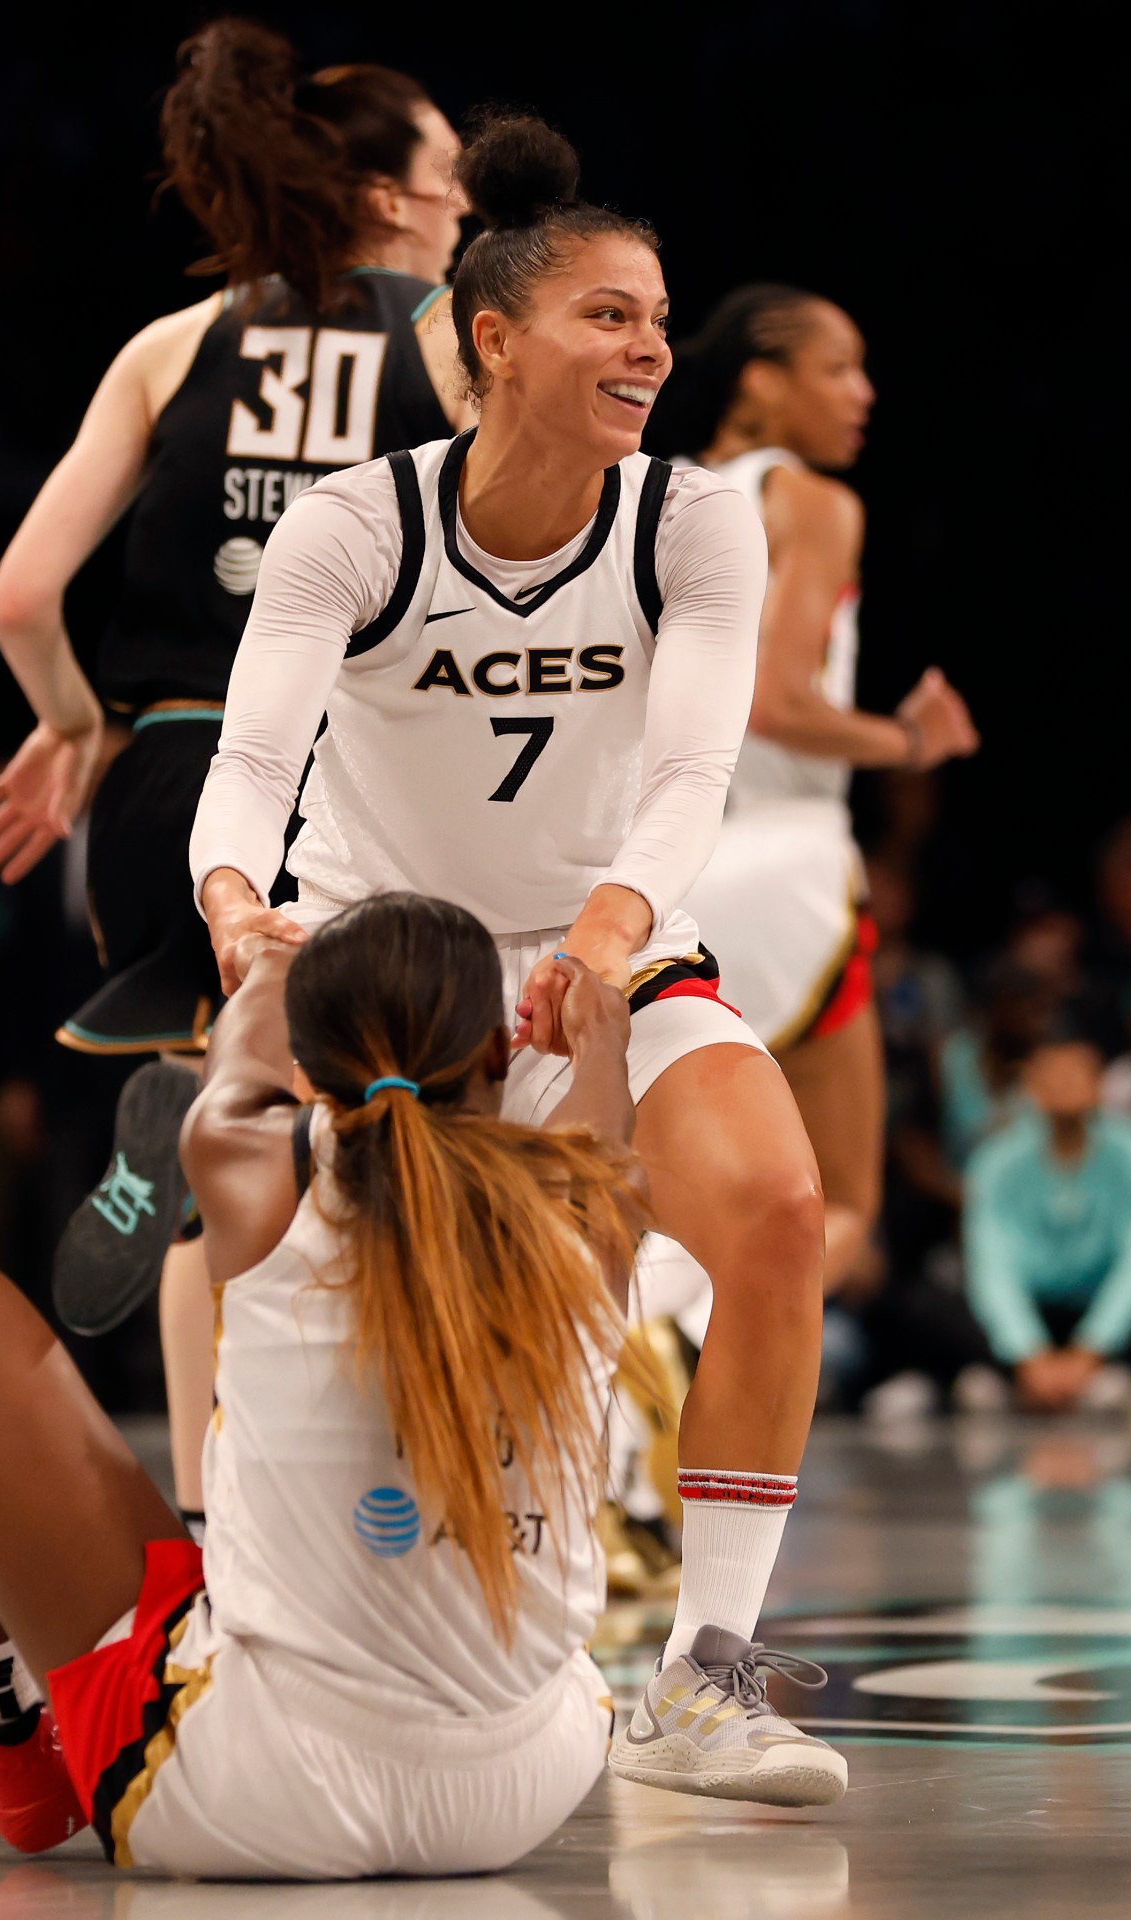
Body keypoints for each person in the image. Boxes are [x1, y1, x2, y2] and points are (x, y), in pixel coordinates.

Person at [189, 114, 846, 1802]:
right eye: (608, 317)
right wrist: (232, 901)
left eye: (658, 318)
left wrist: (616, 943)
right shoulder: (358, 524)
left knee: (777, 1208)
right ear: (495, 339)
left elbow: (692, 771)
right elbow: (255, 762)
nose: (649, 347)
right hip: (396, 968)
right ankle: (226, 1609)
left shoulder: (689, 523)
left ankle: (708, 1679)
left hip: (608, 938)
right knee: (302, 1293)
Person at [0, 895, 692, 1875]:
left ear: (309, 1071)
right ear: (498, 1057)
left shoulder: (249, 1165)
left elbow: (235, 1067)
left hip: (259, 1788)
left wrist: (263, 957)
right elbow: (604, 1107)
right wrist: (600, 1027)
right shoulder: (593, 1205)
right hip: (525, 1785)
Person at [0, 19, 470, 1520]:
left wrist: (68, 726)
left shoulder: (170, 346)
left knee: (224, 1146)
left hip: (165, 787)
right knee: (408, 1142)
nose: (459, 208)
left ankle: (204, 1523)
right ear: (385, 199)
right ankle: (412, 1494)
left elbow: (17, 598)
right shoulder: (449, 338)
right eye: (443, 178)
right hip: (344, 783)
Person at [664, 283, 978, 1298]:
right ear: (761, 382)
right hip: (785, 868)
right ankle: (679, 1340)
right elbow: (777, 700)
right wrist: (907, 739)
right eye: (837, 367)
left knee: (666, 1197)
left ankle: (631, 1385)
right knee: (840, 1204)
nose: (864, 392)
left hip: (658, 878)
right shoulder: (811, 501)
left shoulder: (648, 497)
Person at [906, 1021, 1131, 1414]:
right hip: (1034, 1309)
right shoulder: (995, 1162)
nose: (1064, 1085)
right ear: (1030, 1085)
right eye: (1052, 1074)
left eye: (1077, 1073)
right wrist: (1028, 1354)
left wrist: (1092, 1350)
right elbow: (993, 1268)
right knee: (927, 1302)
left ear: (1100, 1083)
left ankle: (1108, 1374)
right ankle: (1013, 1377)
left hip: (1103, 1306)